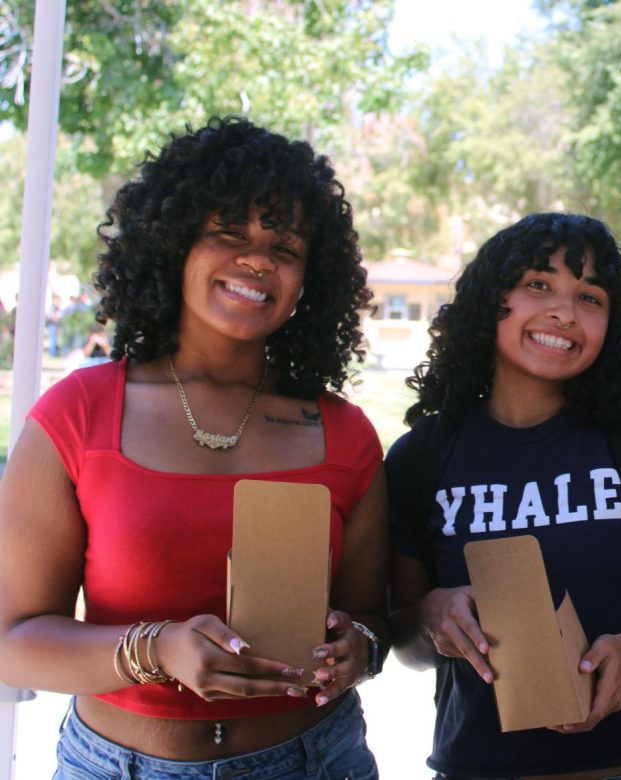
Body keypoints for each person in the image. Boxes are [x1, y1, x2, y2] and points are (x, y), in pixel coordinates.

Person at [0, 117, 388, 779]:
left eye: (285, 247)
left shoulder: (345, 434)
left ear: (309, 279)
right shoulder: (77, 414)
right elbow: (13, 642)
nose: (259, 260)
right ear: (173, 243)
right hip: (116, 766)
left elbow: (376, 622)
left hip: (315, 761)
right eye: (229, 233)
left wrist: (360, 648)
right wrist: (154, 650)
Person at [387, 212, 621, 779]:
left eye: (590, 297)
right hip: (482, 766)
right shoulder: (420, 457)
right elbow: (402, 637)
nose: (565, 312)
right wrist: (432, 613)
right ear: (490, 300)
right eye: (538, 285)